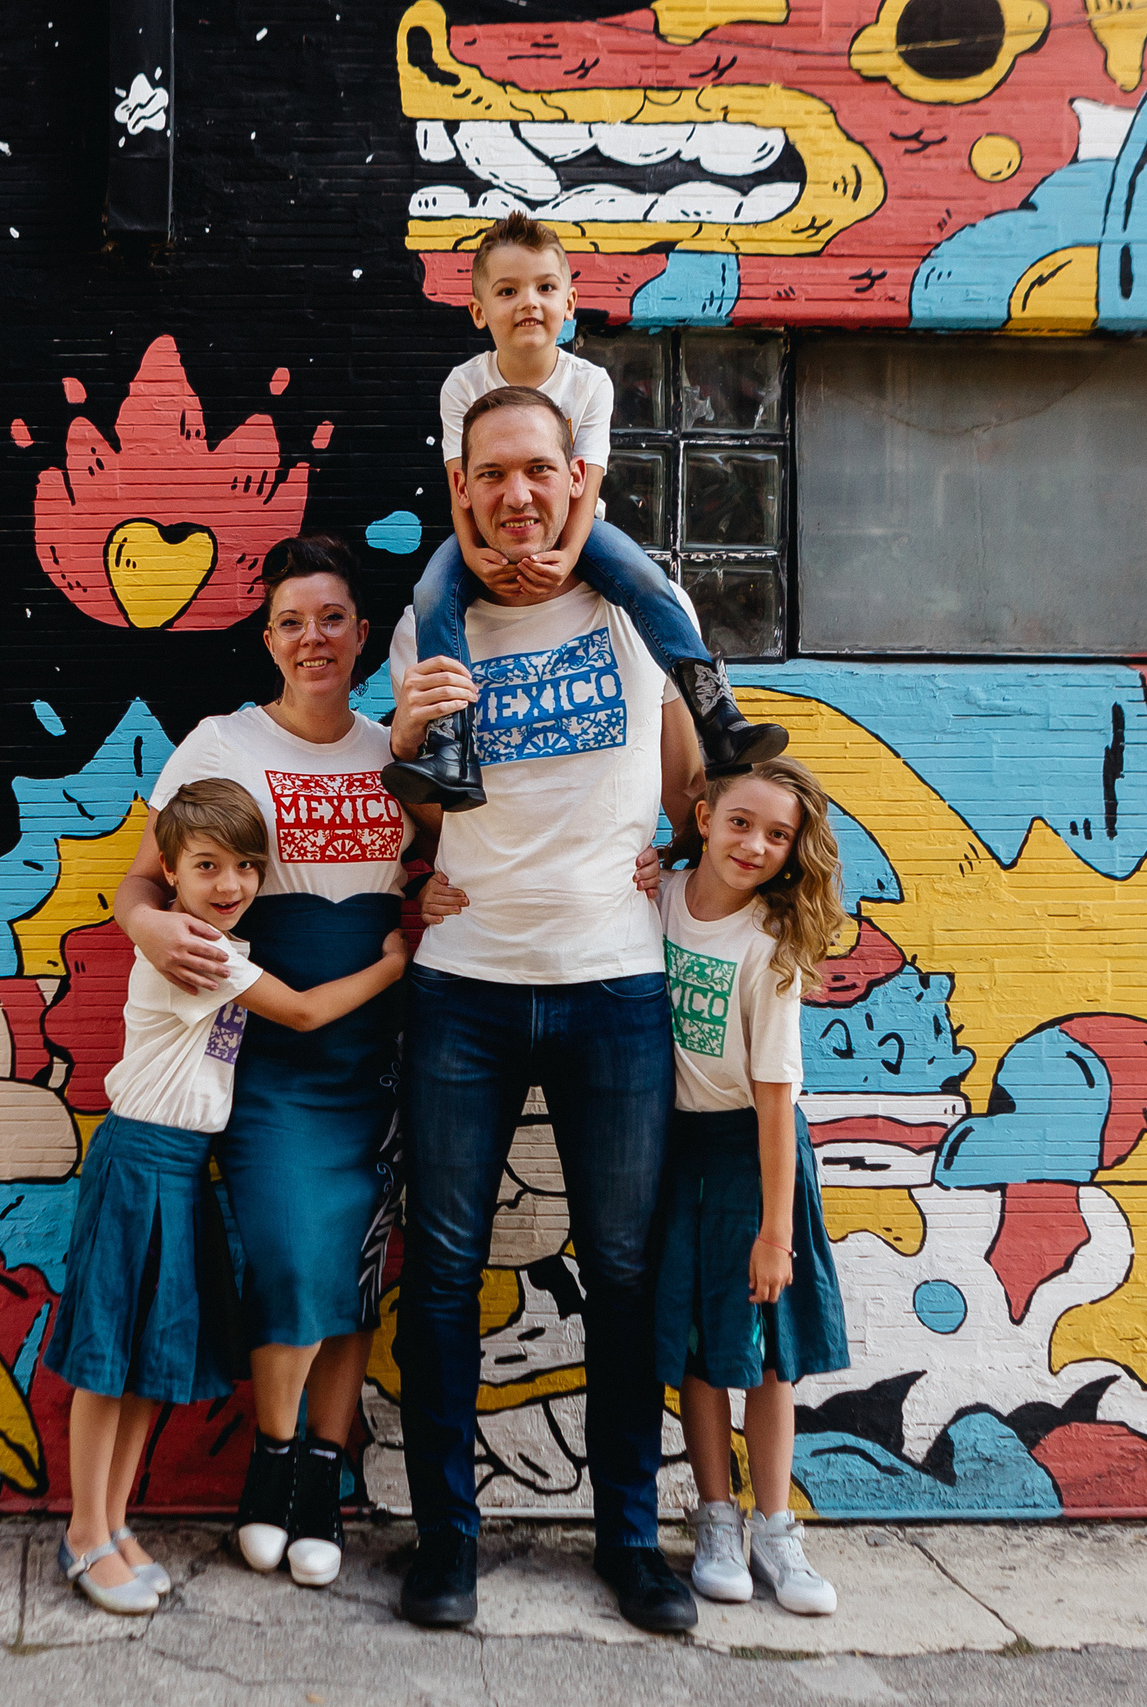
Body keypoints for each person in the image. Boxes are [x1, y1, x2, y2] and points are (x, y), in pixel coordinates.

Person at [385, 384, 707, 1635]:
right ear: (460, 491)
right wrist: (408, 755)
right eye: (491, 476)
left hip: (615, 987)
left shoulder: (637, 609)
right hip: (464, 991)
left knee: (624, 1273)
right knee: (446, 1277)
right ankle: (446, 1548)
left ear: (577, 480)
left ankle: (631, 1542)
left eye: (538, 470)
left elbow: (695, 777)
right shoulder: (437, 628)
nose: (517, 495)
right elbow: (417, 817)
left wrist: (676, 862)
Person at [112, 537, 413, 1589]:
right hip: (272, 1060)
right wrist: (146, 928)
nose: (312, 638)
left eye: (331, 618)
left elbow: (474, 854)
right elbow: (137, 885)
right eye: (291, 621)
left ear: (362, 634)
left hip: (378, 1064)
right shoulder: (221, 744)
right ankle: (273, 1465)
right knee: (287, 1257)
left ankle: (319, 1480)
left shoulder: (396, 750)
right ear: (268, 637)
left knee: (351, 1277)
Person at [47, 779, 408, 1615]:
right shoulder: (203, 952)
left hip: (179, 1170)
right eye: (207, 866)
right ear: (168, 871)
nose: (232, 884)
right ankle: (83, 1532)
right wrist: (391, 962)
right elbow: (310, 1012)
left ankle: (114, 1522)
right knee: (110, 1364)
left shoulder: (215, 937)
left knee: (148, 1365)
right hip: (142, 1160)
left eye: (248, 866)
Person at [379, 211, 785, 813]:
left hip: (577, 524)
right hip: (485, 528)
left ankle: (715, 713)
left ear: (570, 300)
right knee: (434, 595)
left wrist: (567, 555)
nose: (528, 303)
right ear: (477, 310)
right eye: (508, 290)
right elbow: (459, 481)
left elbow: (586, 482)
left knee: (648, 582)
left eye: (545, 287)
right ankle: (451, 746)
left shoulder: (590, 381)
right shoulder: (461, 385)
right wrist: (470, 555)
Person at [644, 758, 851, 1616]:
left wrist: (776, 1231)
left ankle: (775, 1524)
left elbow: (775, 1103)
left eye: (777, 834)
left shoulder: (770, 946)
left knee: (765, 1352)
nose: (755, 844)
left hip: (752, 1153)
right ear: (702, 814)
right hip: (673, 1147)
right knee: (699, 1343)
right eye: (740, 822)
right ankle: (716, 1515)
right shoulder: (657, 895)